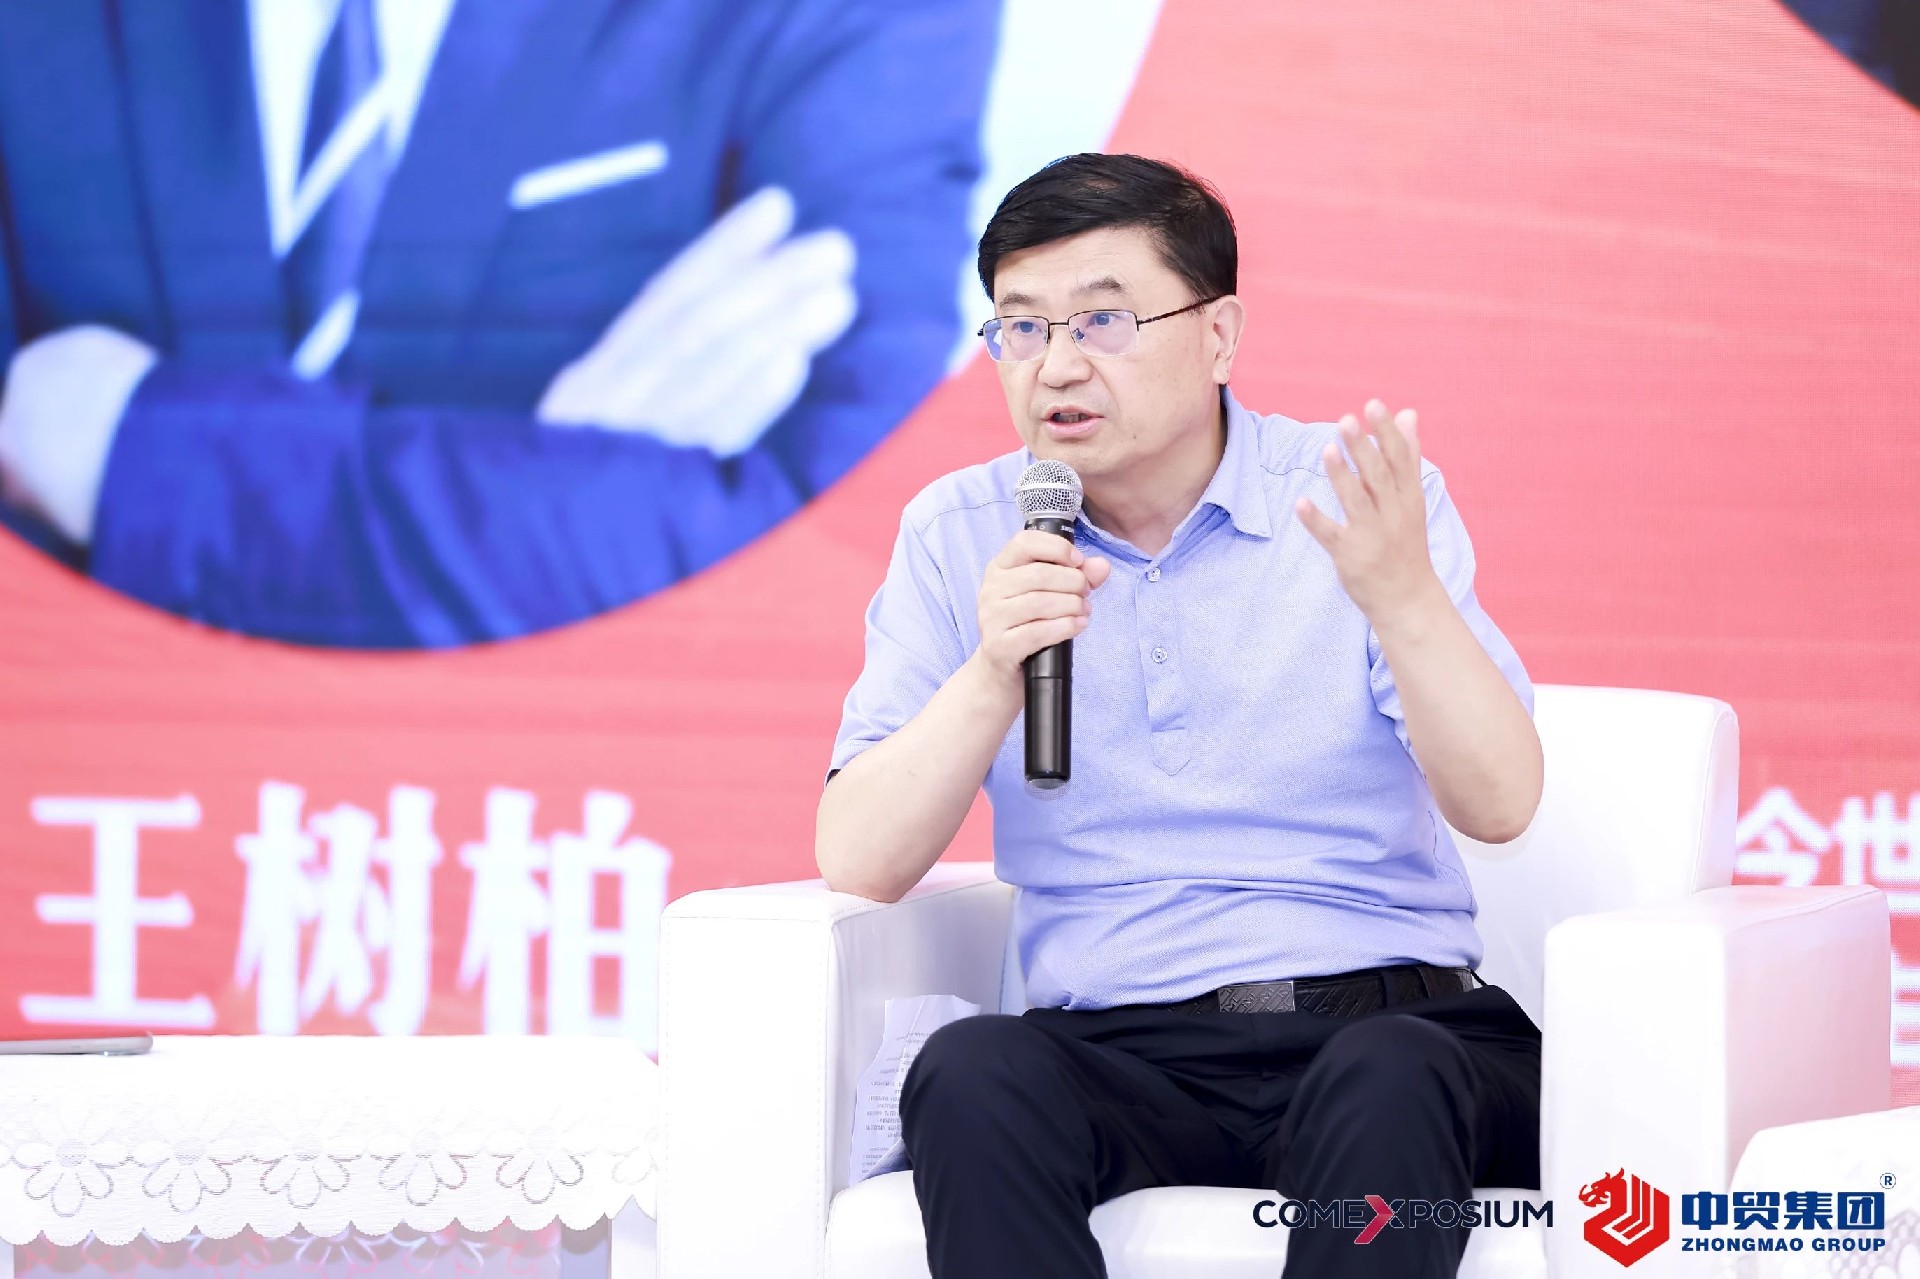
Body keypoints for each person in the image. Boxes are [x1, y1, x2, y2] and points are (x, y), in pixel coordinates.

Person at [817, 153, 1547, 1278]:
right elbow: (858, 858)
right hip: (1121, 1051)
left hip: (1394, 1032)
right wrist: (993, 671)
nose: (1057, 364)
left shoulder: (1350, 504)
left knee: (1391, 1076)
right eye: (1021, 327)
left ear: (1218, 335)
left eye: (1103, 320)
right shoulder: (959, 531)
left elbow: (1501, 805)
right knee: (970, 1072)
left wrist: (1402, 598)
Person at [0, 0, 995, 647]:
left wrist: (142, 466)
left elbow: (835, 561)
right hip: (103, 848)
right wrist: (563, 494)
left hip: (564, 850)